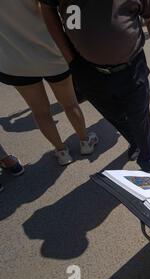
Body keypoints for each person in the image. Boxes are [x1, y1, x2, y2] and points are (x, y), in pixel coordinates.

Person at [39, 0, 150, 173]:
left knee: (138, 117)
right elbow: (48, 9)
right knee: (116, 117)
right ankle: (137, 142)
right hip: (87, 71)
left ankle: (148, 165)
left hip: (131, 69)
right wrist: (70, 59)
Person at [0, 0, 98, 166]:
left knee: (40, 111)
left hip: (14, 60)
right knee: (70, 104)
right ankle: (85, 141)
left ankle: (61, 152)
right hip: (51, 53)